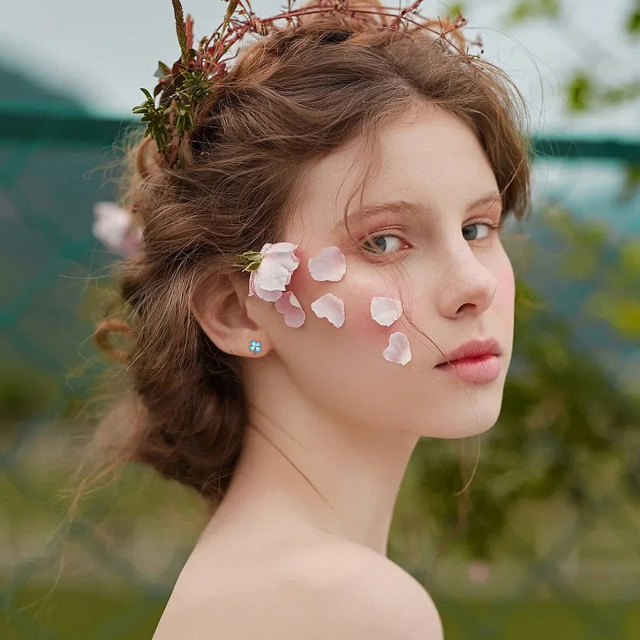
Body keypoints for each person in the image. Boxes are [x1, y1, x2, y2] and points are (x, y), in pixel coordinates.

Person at [90, 0, 531, 637]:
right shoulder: (347, 605)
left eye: (477, 227)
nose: (474, 284)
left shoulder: (266, 582)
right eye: (383, 241)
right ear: (236, 308)